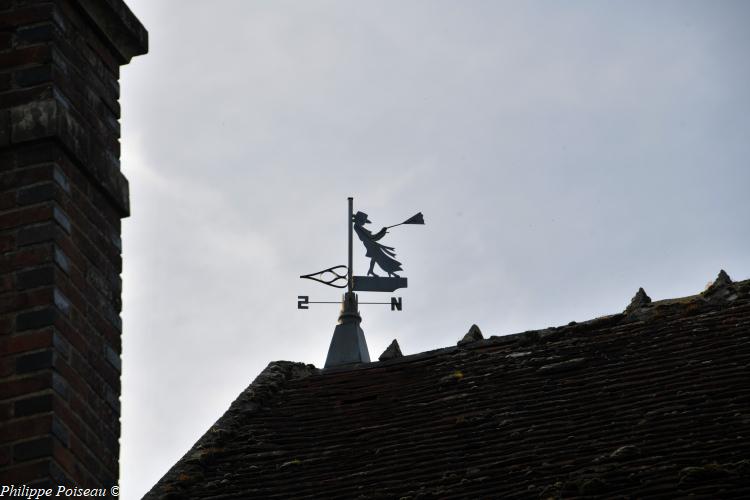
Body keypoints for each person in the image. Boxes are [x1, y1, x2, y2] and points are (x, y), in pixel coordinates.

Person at [352, 211, 403, 278]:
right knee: (381, 258)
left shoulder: (357, 226)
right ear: (360, 220)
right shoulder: (357, 226)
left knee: (376, 258)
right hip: (370, 244)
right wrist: (382, 232)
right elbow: (372, 237)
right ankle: (389, 271)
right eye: (363, 221)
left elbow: (373, 237)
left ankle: (371, 270)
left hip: (370, 244)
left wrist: (382, 232)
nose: (364, 223)